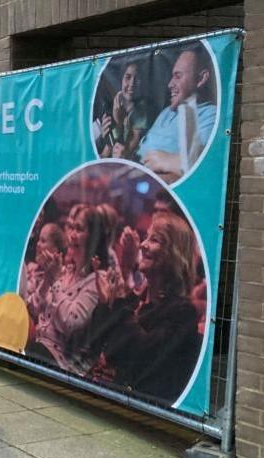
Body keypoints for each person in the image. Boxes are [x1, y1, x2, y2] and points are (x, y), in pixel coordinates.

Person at [92, 211, 201, 403]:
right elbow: (95, 339)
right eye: (145, 238)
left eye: (154, 240)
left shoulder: (183, 312)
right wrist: (103, 303)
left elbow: (144, 356)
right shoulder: (136, 300)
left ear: (174, 253)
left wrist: (118, 301)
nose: (142, 245)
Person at [26, 203, 116, 375]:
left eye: (79, 229)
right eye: (71, 228)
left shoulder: (97, 279)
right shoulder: (65, 270)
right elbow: (32, 308)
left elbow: (71, 323)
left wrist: (54, 281)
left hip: (61, 362)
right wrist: (47, 279)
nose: (72, 235)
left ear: (93, 238)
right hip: (39, 344)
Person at [138, 45, 216, 182]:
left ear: (201, 79)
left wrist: (166, 161)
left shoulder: (210, 115)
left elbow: (201, 166)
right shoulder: (166, 113)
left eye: (178, 76)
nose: (170, 84)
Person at [97, 61, 151, 161]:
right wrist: (107, 145)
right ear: (121, 80)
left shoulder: (142, 109)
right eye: (128, 77)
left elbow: (128, 149)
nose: (132, 84)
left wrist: (119, 123)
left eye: (137, 79)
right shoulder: (113, 105)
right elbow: (107, 151)